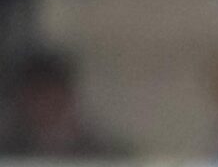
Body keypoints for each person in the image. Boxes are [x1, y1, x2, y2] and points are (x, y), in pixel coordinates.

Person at [0, 46, 129, 160]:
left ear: (67, 96)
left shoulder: (101, 151)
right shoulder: (9, 147)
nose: (43, 103)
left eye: (50, 93)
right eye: (36, 94)